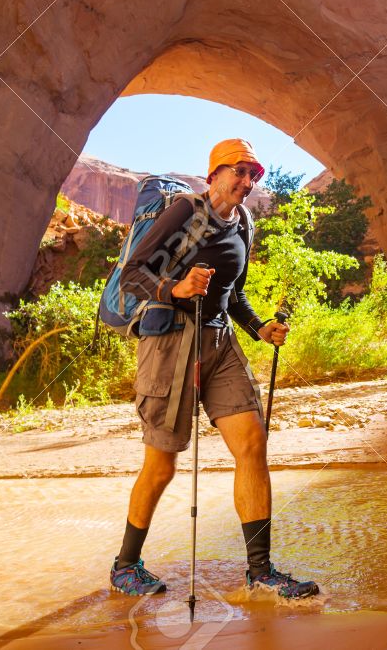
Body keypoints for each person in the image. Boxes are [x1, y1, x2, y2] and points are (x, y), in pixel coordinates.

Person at [108, 138, 320, 600]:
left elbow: (235, 293)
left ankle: (260, 571)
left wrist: (259, 327)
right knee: (162, 464)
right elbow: (133, 274)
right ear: (215, 173)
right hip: (169, 343)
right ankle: (126, 566)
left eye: (254, 174)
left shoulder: (243, 223)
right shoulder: (185, 211)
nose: (247, 182)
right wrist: (177, 287)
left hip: (221, 342)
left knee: (252, 443)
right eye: (239, 172)